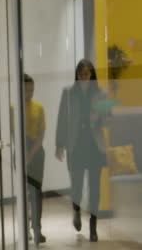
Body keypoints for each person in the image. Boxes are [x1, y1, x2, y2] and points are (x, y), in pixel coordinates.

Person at [55, 59, 108, 242]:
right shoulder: (69, 93)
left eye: (88, 73)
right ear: (77, 75)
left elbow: (108, 120)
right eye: (81, 73)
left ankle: (93, 225)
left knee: (95, 188)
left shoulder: (101, 94)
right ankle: (76, 210)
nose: (85, 77)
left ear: (92, 74)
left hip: (95, 146)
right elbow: (62, 118)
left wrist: (99, 116)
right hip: (76, 145)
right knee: (76, 185)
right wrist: (59, 144)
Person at [23, 74, 46, 247]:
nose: (29, 92)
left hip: (37, 153)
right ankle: (25, 228)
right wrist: (23, 155)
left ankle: (37, 228)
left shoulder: (39, 108)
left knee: (36, 192)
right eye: (25, 89)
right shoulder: (14, 108)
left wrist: (31, 153)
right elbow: (13, 134)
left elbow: (41, 135)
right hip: (21, 152)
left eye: (31, 89)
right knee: (24, 193)